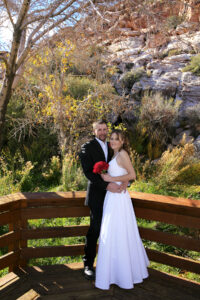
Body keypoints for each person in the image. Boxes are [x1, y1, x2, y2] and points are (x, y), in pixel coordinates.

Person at [95, 129, 150, 290]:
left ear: (122, 141)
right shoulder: (114, 155)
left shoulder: (123, 154)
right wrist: (119, 180)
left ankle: (124, 275)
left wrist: (112, 178)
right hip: (113, 197)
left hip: (119, 199)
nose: (112, 141)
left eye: (116, 139)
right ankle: (114, 273)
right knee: (113, 233)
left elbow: (132, 174)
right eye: (111, 138)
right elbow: (126, 174)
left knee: (118, 231)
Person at [79, 120, 127, 280]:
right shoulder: (87, 147)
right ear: (94, 131)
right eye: (99, 129)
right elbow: (89, 173)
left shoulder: (113, 145)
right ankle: (88, 264)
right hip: (97, 196)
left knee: (114, 229)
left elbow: (125, 167)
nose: (102, 132)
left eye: (105, 129)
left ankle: (111, 265)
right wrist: (106, 186)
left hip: (115, 198)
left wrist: (126, 181)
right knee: (96, 228)